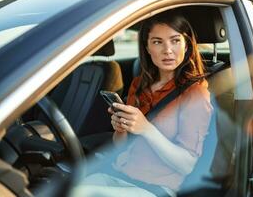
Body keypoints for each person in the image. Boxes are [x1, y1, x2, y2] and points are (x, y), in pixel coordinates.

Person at [71, 11, 213, 197]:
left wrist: (146, 129)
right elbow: (120, 145)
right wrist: (121, 128)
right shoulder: (139, 84)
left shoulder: (195, 93)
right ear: (147, 47)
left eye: (175, 40)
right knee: (65, 187)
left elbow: (188, 165)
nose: (167, 50)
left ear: (186, 45)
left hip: (155, 188)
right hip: (119, 173)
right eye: (157, 41)